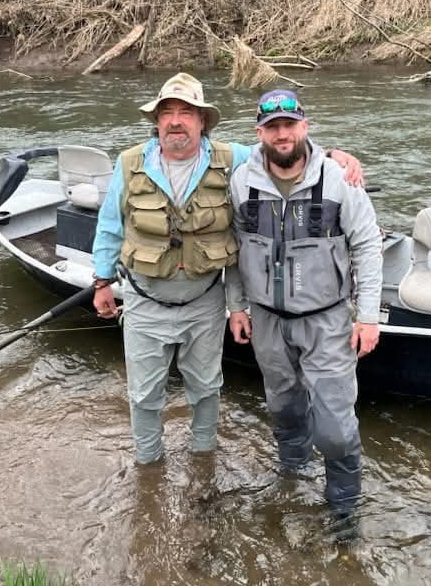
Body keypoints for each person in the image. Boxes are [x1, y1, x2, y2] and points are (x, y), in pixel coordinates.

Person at [91, 73, 361, 465]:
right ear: (157, 122)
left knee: (206, 389)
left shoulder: (232, 157)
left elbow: (282, 145)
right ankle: (148, 468)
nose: (176, 121)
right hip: (145, 301)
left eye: (187, 112)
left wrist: (334, 154)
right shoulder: (130, 162)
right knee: (144, 395)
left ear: (203, 121)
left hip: (205, 302)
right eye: (167, 113)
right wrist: (101, 281)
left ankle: (204, 466)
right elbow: (110, 226)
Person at [226, 89, 382, 520]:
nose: (282, 134)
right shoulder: (241, 181)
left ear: (304, 127)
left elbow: (368, 246)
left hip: (327, 321)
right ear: (260, 132)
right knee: (283, 408)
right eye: (272, 126)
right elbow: (234, 250)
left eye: (289, 125)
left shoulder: (338, 178)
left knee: (335, 427)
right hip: (267, 321)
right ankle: (291, 477)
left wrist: (368, 316)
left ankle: (345, 512)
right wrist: (236, 306)